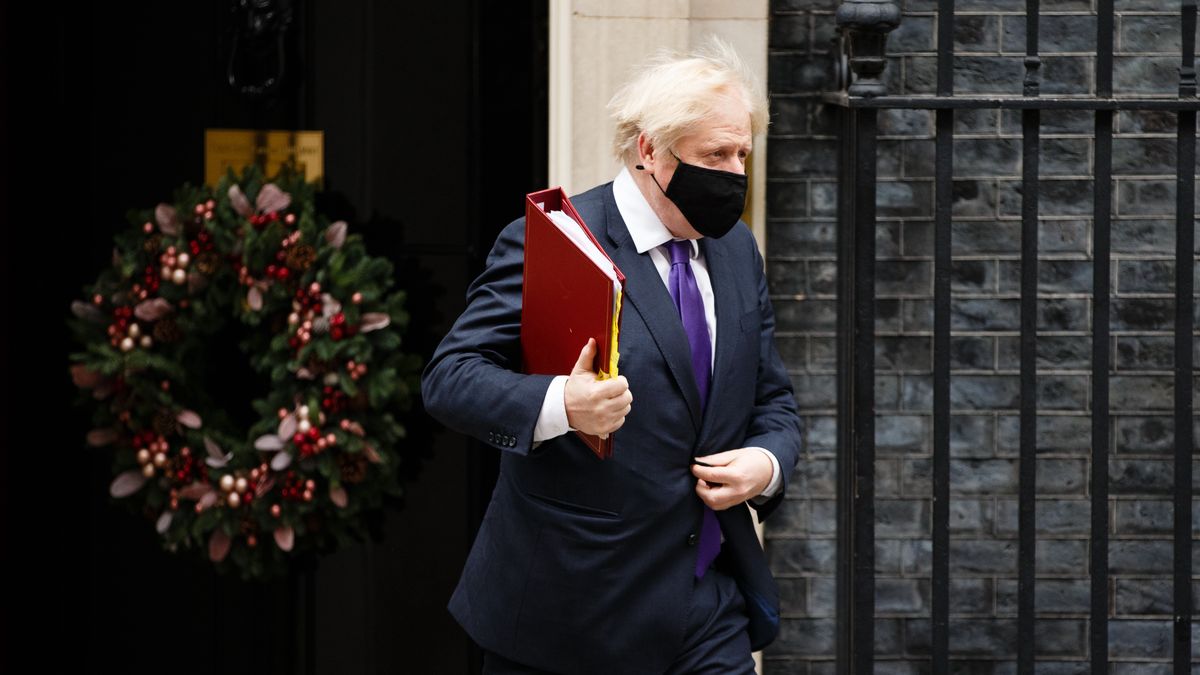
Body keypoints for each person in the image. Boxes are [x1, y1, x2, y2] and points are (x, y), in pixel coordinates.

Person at [421, 36, 802, 675]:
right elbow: (450, 378)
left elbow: (773, 399)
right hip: (572, 613)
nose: (735, 173)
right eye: (716, 154)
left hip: (708, 609)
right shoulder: (556, 240)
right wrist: (560, 405)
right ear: (650, 149)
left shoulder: (736, 250)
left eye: (743, 153)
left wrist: (764, 465)